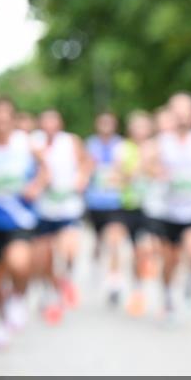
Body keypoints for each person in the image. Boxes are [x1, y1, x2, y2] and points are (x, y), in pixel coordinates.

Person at [0, 98, 45, 348]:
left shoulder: (26, 143)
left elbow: (45, 168)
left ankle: (18, 298)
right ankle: (1, 322)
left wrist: (36, 186)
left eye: (7, 119)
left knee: (20, 262)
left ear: (13, 121)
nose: (2, 124)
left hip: (21, 218)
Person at [142, 93, 191, 319]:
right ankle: (168, 298)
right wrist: (157, 172)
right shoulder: (161, 143)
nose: (183, 118)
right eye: (178, 113)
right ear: (171, 116)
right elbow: (145, 166)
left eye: (187, 113)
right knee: (170, 262)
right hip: (168, 211)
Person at [32, 108, 91, 324]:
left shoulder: (70, 141)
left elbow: (86, 162)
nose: (49, 126)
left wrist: (82, 177)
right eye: (45, 121)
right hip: (44, 208)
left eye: (53, 121)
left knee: (68, 251)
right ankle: (50, 293)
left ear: (60, 123)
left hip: (68, 206)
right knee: (45, 257)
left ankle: (66, 281)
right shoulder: (34, 142)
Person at [84, 112, 128, 305]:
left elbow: (127, 170)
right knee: (99, 240)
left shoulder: (121, 145)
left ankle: (114, 281)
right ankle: (96, 264)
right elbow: (85, 170)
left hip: (115, 201)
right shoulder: (90, 145)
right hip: (95, 201)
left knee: (114, 241)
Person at [116, 110, 156, 316]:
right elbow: (121, 176)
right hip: (130, 205)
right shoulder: (124, 149)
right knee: (136, 250)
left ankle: (142, 285)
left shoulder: (157, 146)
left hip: (153, 206)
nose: (140, 131)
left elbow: (160, 173)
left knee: (148, 248)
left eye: (144, 126)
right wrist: (140, 163)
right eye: (136, 127)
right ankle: (137, 288)